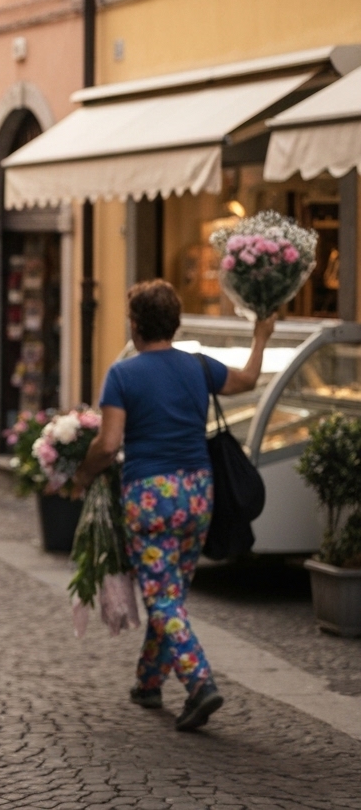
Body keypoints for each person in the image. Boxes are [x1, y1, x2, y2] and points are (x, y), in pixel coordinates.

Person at [71, 279, 274, 732]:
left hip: (150, 496)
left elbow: (108, 445)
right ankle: (148, 682)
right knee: (172, 594)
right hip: (199, 492)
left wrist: (81, 476)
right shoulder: (198, 366)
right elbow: (247, 380)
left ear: (136, 323)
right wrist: (260, 337)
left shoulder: (123, 374)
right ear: (176, 323)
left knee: (162, 599)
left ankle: (200, 683)